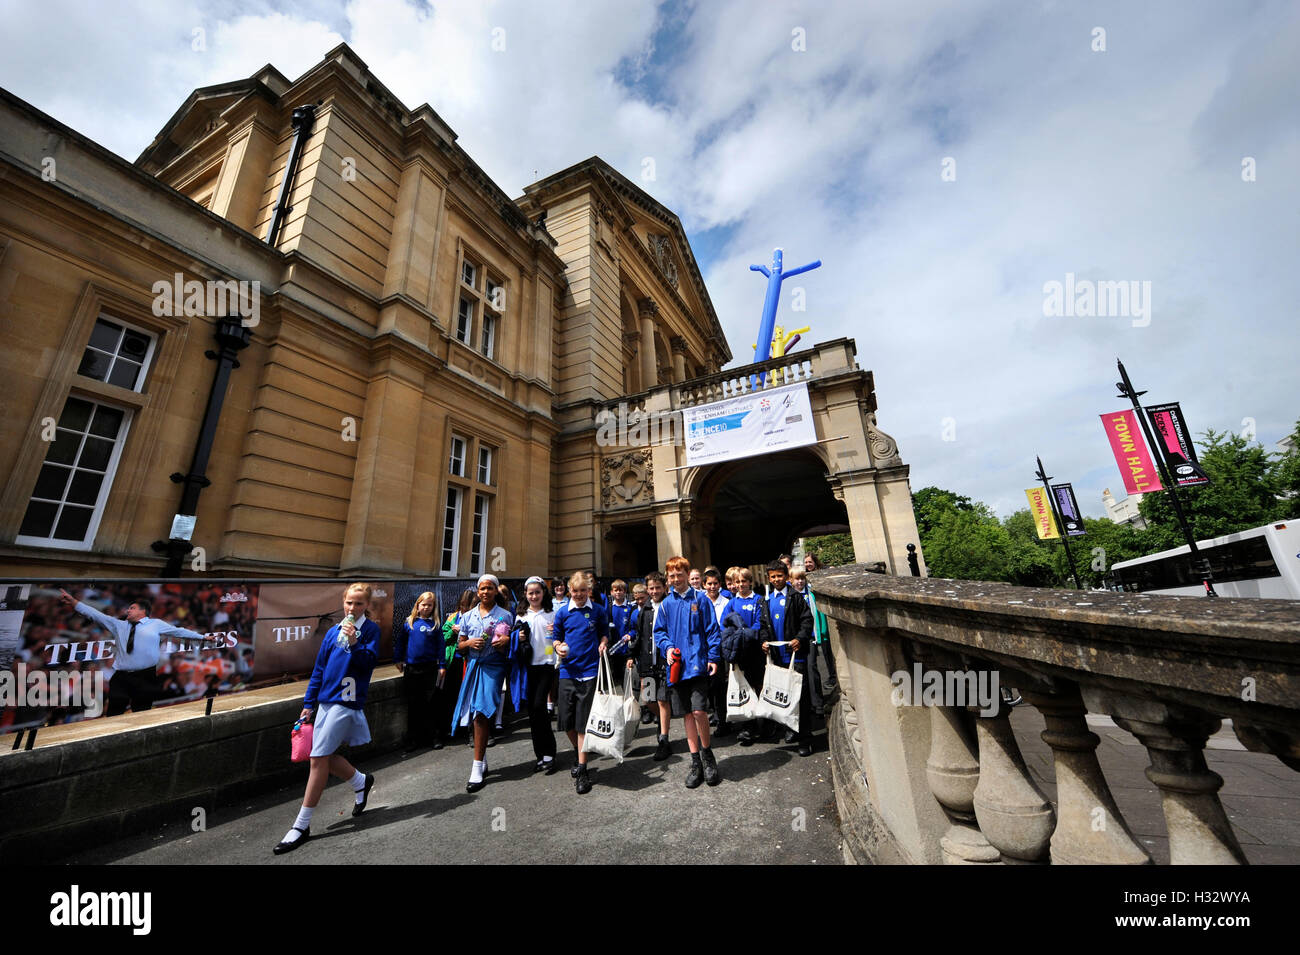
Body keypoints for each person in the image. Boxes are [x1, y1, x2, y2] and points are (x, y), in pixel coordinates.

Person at [274, 582, 380, 854]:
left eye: (358, 603)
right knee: (323, 755)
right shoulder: (333, 632)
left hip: (346, 702)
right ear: (343, 603)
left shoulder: (371, 630)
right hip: (324, 701)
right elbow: (319, 670)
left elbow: (368, 664)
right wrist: (308, 704)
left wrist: (356, 643)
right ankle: (360, 781)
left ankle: (301, 825)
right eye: (349, 602)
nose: (352, 608)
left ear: (366, 605)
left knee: (318, 759)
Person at [58, 589, 215, 716]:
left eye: (132, 608)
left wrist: (203, 637)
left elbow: (179, 632)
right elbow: (95, 614)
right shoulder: (118, 625)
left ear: (143, 611)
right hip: (122, 676)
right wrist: (74, 603)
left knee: (141, 713)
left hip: (146, 676)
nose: (128, 610)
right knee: (114, 712)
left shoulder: (156, 624)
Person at [654, 556, 722, 788]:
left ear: (687, 575)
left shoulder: (701, 600)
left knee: (699, 711)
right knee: (686, 715)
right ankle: (695, 762)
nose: (676, 579)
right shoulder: (665, 604)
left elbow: (712, 630)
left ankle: (707, 756)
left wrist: (713, 657)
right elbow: (659, 633)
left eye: (679, 574)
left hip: (698, 665)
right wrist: (668, 648)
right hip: (678, 668)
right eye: (671, 576)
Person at [450, 575, 515, 793]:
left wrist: (504, 642)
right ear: (478, 591)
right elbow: (459, 646)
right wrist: (468, 642)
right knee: (476, 712)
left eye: (489, 588)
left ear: (496, 590)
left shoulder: (505, 615)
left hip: (493, 667)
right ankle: (482, 757)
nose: (485, 592)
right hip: (473, 666)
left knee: (482, 712)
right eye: (482, 588)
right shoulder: (467, 616)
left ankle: (476, 767)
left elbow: (508, 644)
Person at [552, 571, 608, 794]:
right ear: (569, 591)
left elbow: (605, 633)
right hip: (567, 671)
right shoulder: (563, 612)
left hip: (590, 670)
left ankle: (583, 770)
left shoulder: (599, 611)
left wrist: (603, 643)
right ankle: (579, 750)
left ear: (589, 590)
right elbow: (556, 636)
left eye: (583, 591)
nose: (579, 595)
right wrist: (557, 647)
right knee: (566, 721)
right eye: (575, 591)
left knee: (582, 722)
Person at [758, 561, 814, 757]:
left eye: (779, 576)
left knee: (801, 697)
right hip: (777, 657)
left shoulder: (796, 598)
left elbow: (807, 620)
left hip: (795, 656)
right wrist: (764, 641)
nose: (776, 580)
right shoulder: (766, 601)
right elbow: (763, 626)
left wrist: (800, 638)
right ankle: (790, 730)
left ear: (787, 577)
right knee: (785, 696)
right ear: (769, 578)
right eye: (773, 577)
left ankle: (806, 738)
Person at [395, 591, 445, 752]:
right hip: (412, 668)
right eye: (423, 604)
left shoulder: (435, 625)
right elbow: (401, 642)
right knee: (413, 704)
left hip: (430, 668)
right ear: (418, 605)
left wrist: (442, 665)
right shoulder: (409, 623)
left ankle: (434, 736)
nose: (426, 607)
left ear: (433, 607)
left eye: (429, 605)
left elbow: (441, 647)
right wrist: (398, 659)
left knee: (431, 703)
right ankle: (412, 739)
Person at [518, 576, 558, 773]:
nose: (534, 596)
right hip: (528, 667)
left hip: (546, 666)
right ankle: (540, 755)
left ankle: (550, 752)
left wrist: (551, 654)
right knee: (533, 713)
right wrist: (519, 637)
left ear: (544, 593)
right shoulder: (521, 616)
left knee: (539, 707)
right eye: (530, 593)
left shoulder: (551, 614)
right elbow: (516, 644)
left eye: (537, 592)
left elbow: (553, 642)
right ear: (525, 595)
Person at [721, 568, 766, 744]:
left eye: (743, 582)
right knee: (744, 688)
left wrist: (746, 633)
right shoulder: (732, 603)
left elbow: (758, 623)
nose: (740, 585)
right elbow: (725, 622)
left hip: (755, 651)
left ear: (750, 582)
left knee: (759, 685)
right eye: (737, 582)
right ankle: (749, 726)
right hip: (740, 653)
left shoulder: (758, 600)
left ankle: (766, 723)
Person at [634, 572, 671, 751]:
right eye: (651, 588)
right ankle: (663, 721)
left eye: (658, 587)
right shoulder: (645, 610)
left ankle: (664, 739)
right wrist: (630, 656)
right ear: (647, 590)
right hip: (647, 662)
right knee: (649, 699)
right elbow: (639, 636)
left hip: (665, 661)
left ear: (664, 588)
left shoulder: (669, 605)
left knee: (663, 700)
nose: (655, 591)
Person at [801, 553, 839, 713]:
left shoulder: (821, 574)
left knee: (829, 645)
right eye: (805, 562)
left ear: (815, 562)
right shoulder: (803, 578)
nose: (808, 564)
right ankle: (832, 676)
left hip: (821, 614)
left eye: (809, 562)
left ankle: (833, 675)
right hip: (813, 616)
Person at [441, 588, 477, 745]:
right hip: (453, 661)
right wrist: (454, 631)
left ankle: (469, 731)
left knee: (467, 696)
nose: (466, 608)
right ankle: (452, 728)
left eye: (469, 605)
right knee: (450, 696)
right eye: (464, 605)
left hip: (467, 661)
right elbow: (443, 636)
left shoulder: (475, 617)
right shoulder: (453, 617)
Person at [702, 568, 733, 737]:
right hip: (703, 650)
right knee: (708, 687)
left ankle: (724, 721)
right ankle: (714, 715)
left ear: (720, 585)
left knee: (720, 687)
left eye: (715, 584)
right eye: (709, 584)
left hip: (721, 650)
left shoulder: (727, 602)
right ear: (704, 585)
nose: (712, 587)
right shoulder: (699, 602)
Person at [605, 578, 637, 672]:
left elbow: (636, 628)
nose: (618, 592)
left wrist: (630, 635)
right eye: (616, 590)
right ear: (611, 592)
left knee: (626, 681)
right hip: (612, 650)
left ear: (625, 592)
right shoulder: (609, 608)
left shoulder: (631, 608)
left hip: (626, 650)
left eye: (620, 590)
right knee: (613, 680)